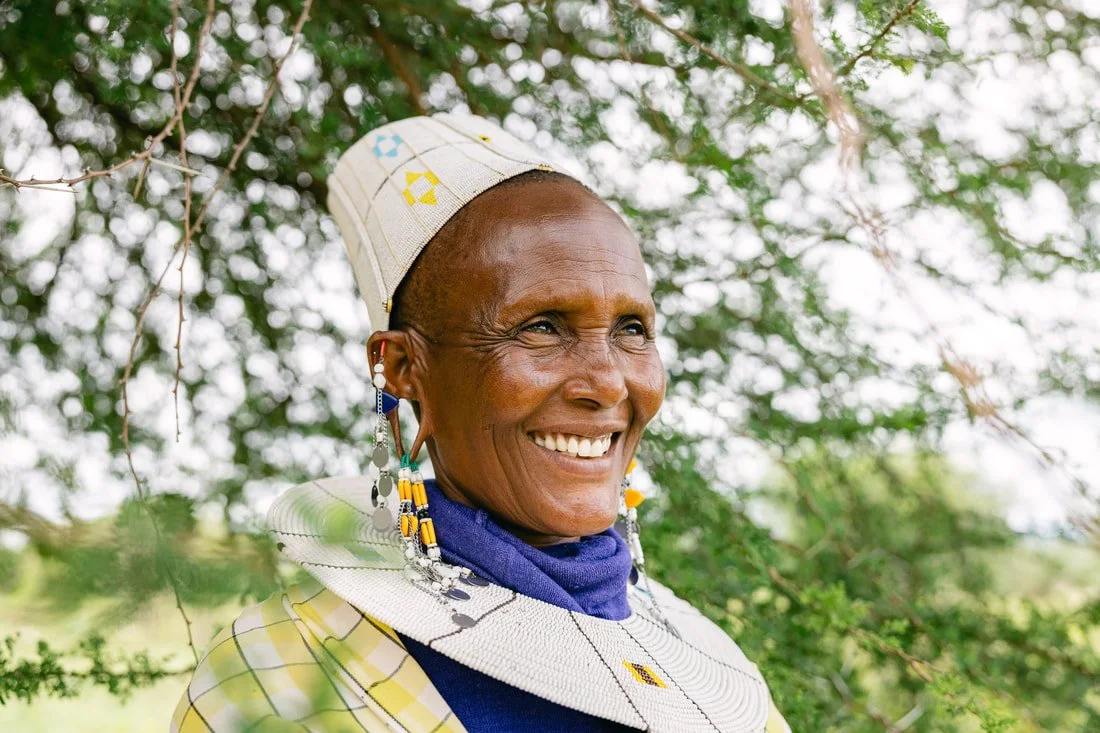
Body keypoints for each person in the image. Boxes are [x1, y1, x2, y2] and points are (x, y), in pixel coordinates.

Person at [171, 113, 791, 733]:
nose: (607, 382)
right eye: (542, 327)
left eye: (631, 329)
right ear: (404, 367)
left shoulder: (712, 673)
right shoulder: (282, 679)